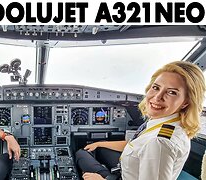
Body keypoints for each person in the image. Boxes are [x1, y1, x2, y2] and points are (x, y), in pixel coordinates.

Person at [76, 61, 206, 180]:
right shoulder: (168, 123)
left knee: (81, 154)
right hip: (127, 170)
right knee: (95, 149)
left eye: (171, 92)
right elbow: (136, 145)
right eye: (156, 87)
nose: (157, 97)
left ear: (186, 102)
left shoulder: (159, 143)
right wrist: (99, 143)